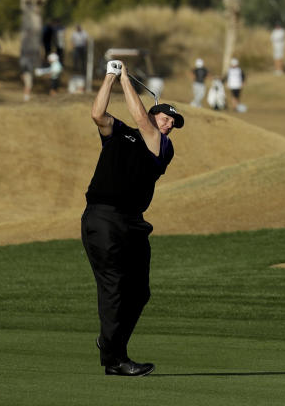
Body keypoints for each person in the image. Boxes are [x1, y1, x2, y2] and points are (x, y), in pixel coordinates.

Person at [81, 60, 183, 377]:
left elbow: (141, 118)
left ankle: (110, 341)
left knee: (139, 292)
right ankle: (115, 359)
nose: (168, 125)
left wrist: (127, 79)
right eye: (166, 118)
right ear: (156, 113)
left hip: (133, 224)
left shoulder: (162, 146)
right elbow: (97, 114)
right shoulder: (118, 133)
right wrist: (111, 77)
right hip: (103, 218)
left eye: (173, 123)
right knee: (113, 287)